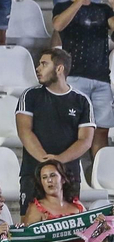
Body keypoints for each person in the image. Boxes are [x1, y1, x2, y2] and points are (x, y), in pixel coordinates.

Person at [18, 48, 96, 211]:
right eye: (39, 64)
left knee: (70, 225)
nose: (38, 68)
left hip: (68, 175)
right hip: (34, 172)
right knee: (29, 224)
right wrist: (48, 164)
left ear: (59, 69)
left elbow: (85, 140)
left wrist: (58, 160)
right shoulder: (30, 96)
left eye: (44, 64)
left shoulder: (82, 100)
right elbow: (25, 132)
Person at [49, 0, 114, 159]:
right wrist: (80, 1)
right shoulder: (62, 7)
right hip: (75, 76)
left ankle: (97, 172)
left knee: (101, 130)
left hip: (101, 78)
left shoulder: (103, 9)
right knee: (72, 129)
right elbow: (58, 25)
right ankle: (71, 173)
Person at [20, 159, 103, 242]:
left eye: (53, 175)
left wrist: (99, 227)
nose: (49, 180)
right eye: (44, 177)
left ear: (63, 179)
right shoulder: (36, 209)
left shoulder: (78, 206)